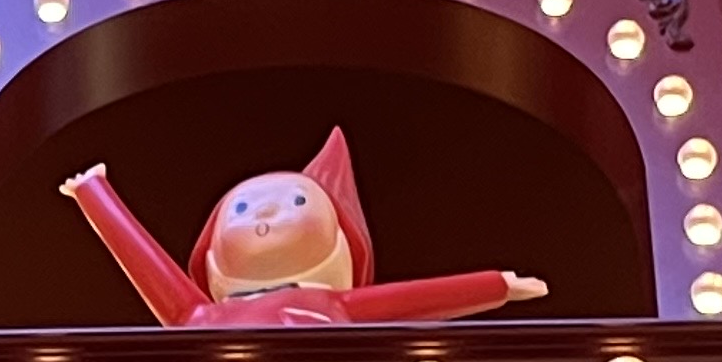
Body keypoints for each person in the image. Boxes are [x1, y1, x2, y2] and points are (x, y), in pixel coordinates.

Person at [62, 128, 547, 326]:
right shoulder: (201, 316)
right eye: (241, 208)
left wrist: (497, 285)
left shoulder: (331, 305)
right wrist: (93, 192)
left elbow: (414, 300)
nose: (264, 215)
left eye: (296, 201)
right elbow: (149, 267)